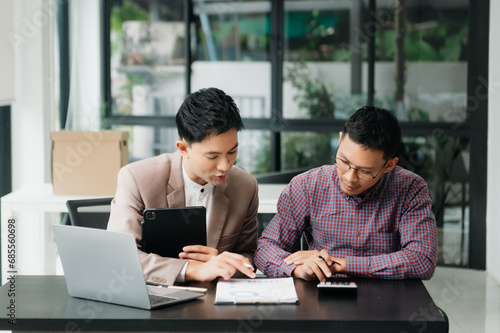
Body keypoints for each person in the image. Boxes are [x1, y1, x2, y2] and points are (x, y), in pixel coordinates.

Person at [254, 106, 438, 281]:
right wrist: (297, 269)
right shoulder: (307, 186)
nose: (350, 178)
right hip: (322, 294)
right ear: (340, 140)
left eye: (365, 171)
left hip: (387, 297)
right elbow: (265, 248)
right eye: (343, 161)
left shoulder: (410, 188)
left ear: (389, 165)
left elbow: (422, 260)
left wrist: (339, 264)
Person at [107, 87, 257, 285]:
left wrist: (222, 263)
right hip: (153, 301)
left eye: (232, 152)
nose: (225, 166)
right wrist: (193, 270)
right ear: (183, 149)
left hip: (215, 304)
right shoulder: (136, 178)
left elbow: (248, 256)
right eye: (212, 156)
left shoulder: (245, 187)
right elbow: (119, 257)